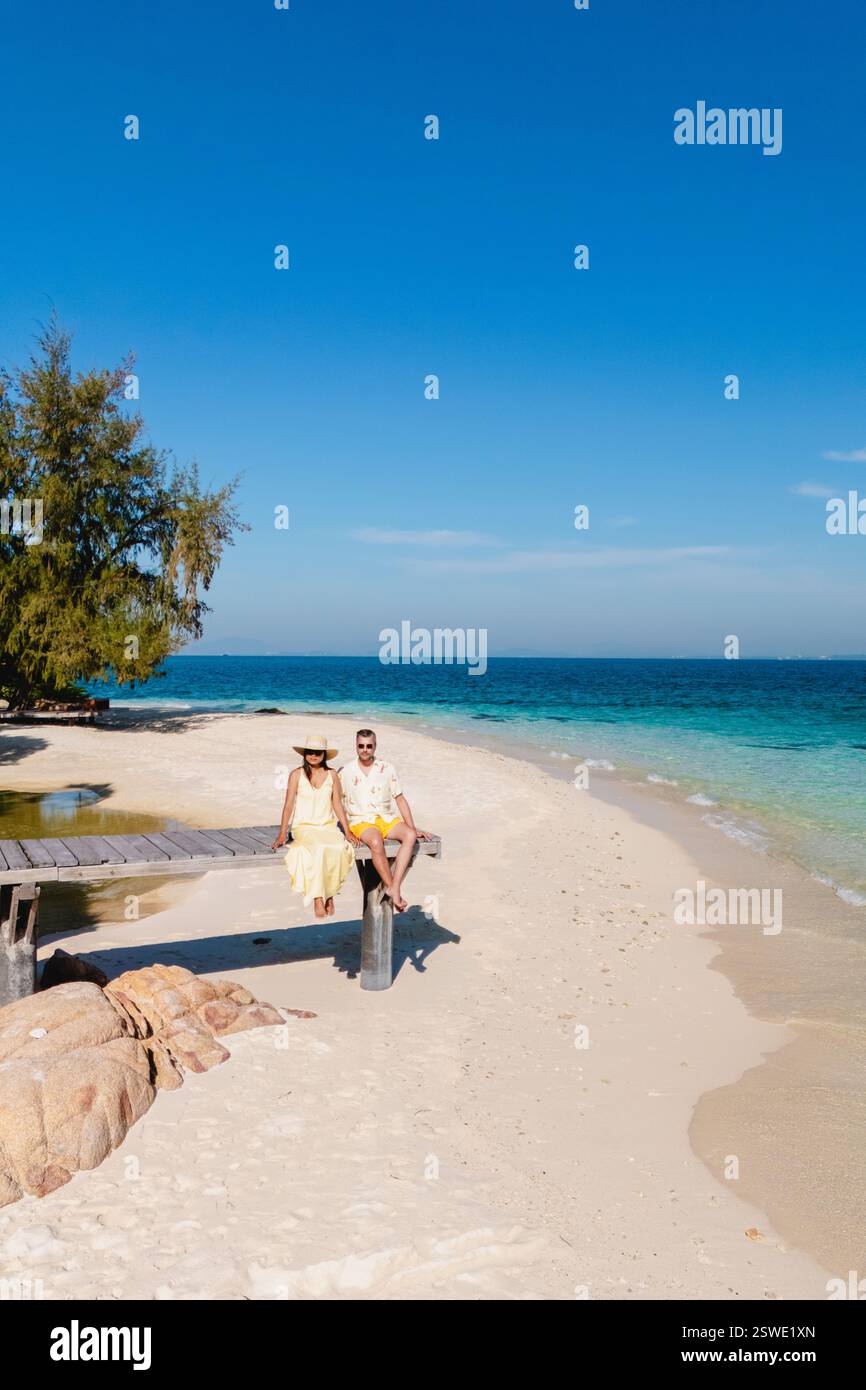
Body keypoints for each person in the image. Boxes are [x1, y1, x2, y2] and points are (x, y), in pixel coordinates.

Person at [338, 728, 432, 912]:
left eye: (369, 746)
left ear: (375, 746)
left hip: (386, 818)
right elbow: (337, 803)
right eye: (361, 746)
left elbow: (400, 798)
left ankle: (393, 886)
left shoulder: (387, 768)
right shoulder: (346, 772)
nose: (365, 749)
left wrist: (413, 827)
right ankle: (393, 889)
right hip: (361, 820)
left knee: (410, 835)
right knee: (375, 841)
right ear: (356, 746)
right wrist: (346, 829)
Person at [271, 734, 359, 919]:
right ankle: (319, 897)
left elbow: (337, 804)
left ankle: (330, 893)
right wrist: (282, 834)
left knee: (338, 847)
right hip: (303, 827)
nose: (313, 755)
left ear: (324, 754)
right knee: (318, 849)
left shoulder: (332, 774)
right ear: (304, 754)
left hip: (327, 826)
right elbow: (288, 805)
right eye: (309, 752)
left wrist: (348, 831)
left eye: (317, 752)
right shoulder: (296, 774)